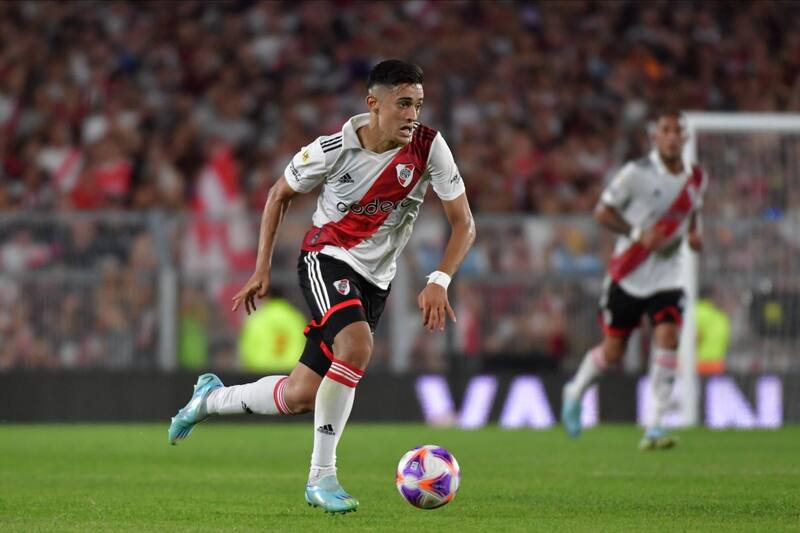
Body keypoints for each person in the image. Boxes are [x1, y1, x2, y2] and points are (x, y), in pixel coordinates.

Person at [168, 60, 475, 513]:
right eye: (403, 104)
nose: (413, 115)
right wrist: (260, 268)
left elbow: (464, 223)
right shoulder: (331, 150)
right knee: (356, 346)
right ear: (374, 104)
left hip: (377, 280)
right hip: (326, 256)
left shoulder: (430, 148)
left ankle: (209, 399)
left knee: (300, 395)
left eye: (418, 105)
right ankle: (322, 478)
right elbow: (279, 195)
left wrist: (439, 278)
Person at [561, 109, 706, 450]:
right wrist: (638, 233)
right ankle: (575, 390)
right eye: (665, 130)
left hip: (669, 277)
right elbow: (602, 212)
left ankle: (655, 423)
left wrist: (696, 235)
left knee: (668, 337)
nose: (671, 136)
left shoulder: (697, 178)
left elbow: (692, 212)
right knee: (613, 353)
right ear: (655, 137)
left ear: (684, 138)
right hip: (628, 275)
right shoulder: (636, 174)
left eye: (677, 131)